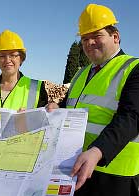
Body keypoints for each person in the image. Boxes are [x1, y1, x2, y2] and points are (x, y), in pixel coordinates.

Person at [49, 4, 139, 196]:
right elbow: (69, 107)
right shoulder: (81, 73)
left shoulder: (134, 68)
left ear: (115, 37)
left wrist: (98, 150)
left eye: (96, 36)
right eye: (84, 39)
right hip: (75, 167)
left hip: (114, 175)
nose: (89, 43)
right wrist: (55, 107)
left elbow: (132, 117)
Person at [0, 29, 48, 110]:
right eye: (2, 56)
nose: (7, 60)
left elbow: (44, 120)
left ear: (21, 59)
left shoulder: (36, 89)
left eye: (13, 55)